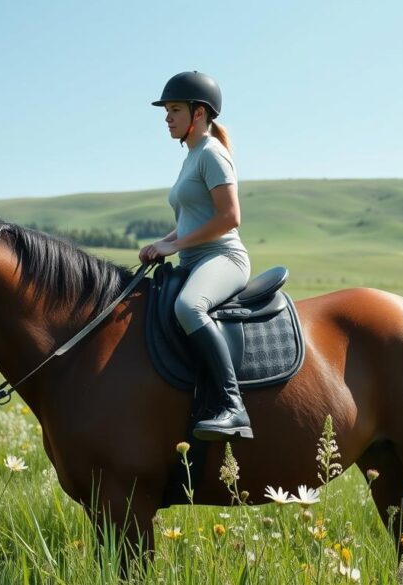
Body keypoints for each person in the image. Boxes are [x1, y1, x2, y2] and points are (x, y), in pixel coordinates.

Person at [139, 71, 253, 441]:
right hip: (193, 259)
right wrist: (163, 242)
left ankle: (233, 406)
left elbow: (229, 217)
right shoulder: (191, 157)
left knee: (189, 307)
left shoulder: (212, 154)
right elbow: (192, 220)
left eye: (174, 110)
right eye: (166, 111)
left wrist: (175, 246)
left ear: (199, 113)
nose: (167, 118)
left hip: (224, 258)